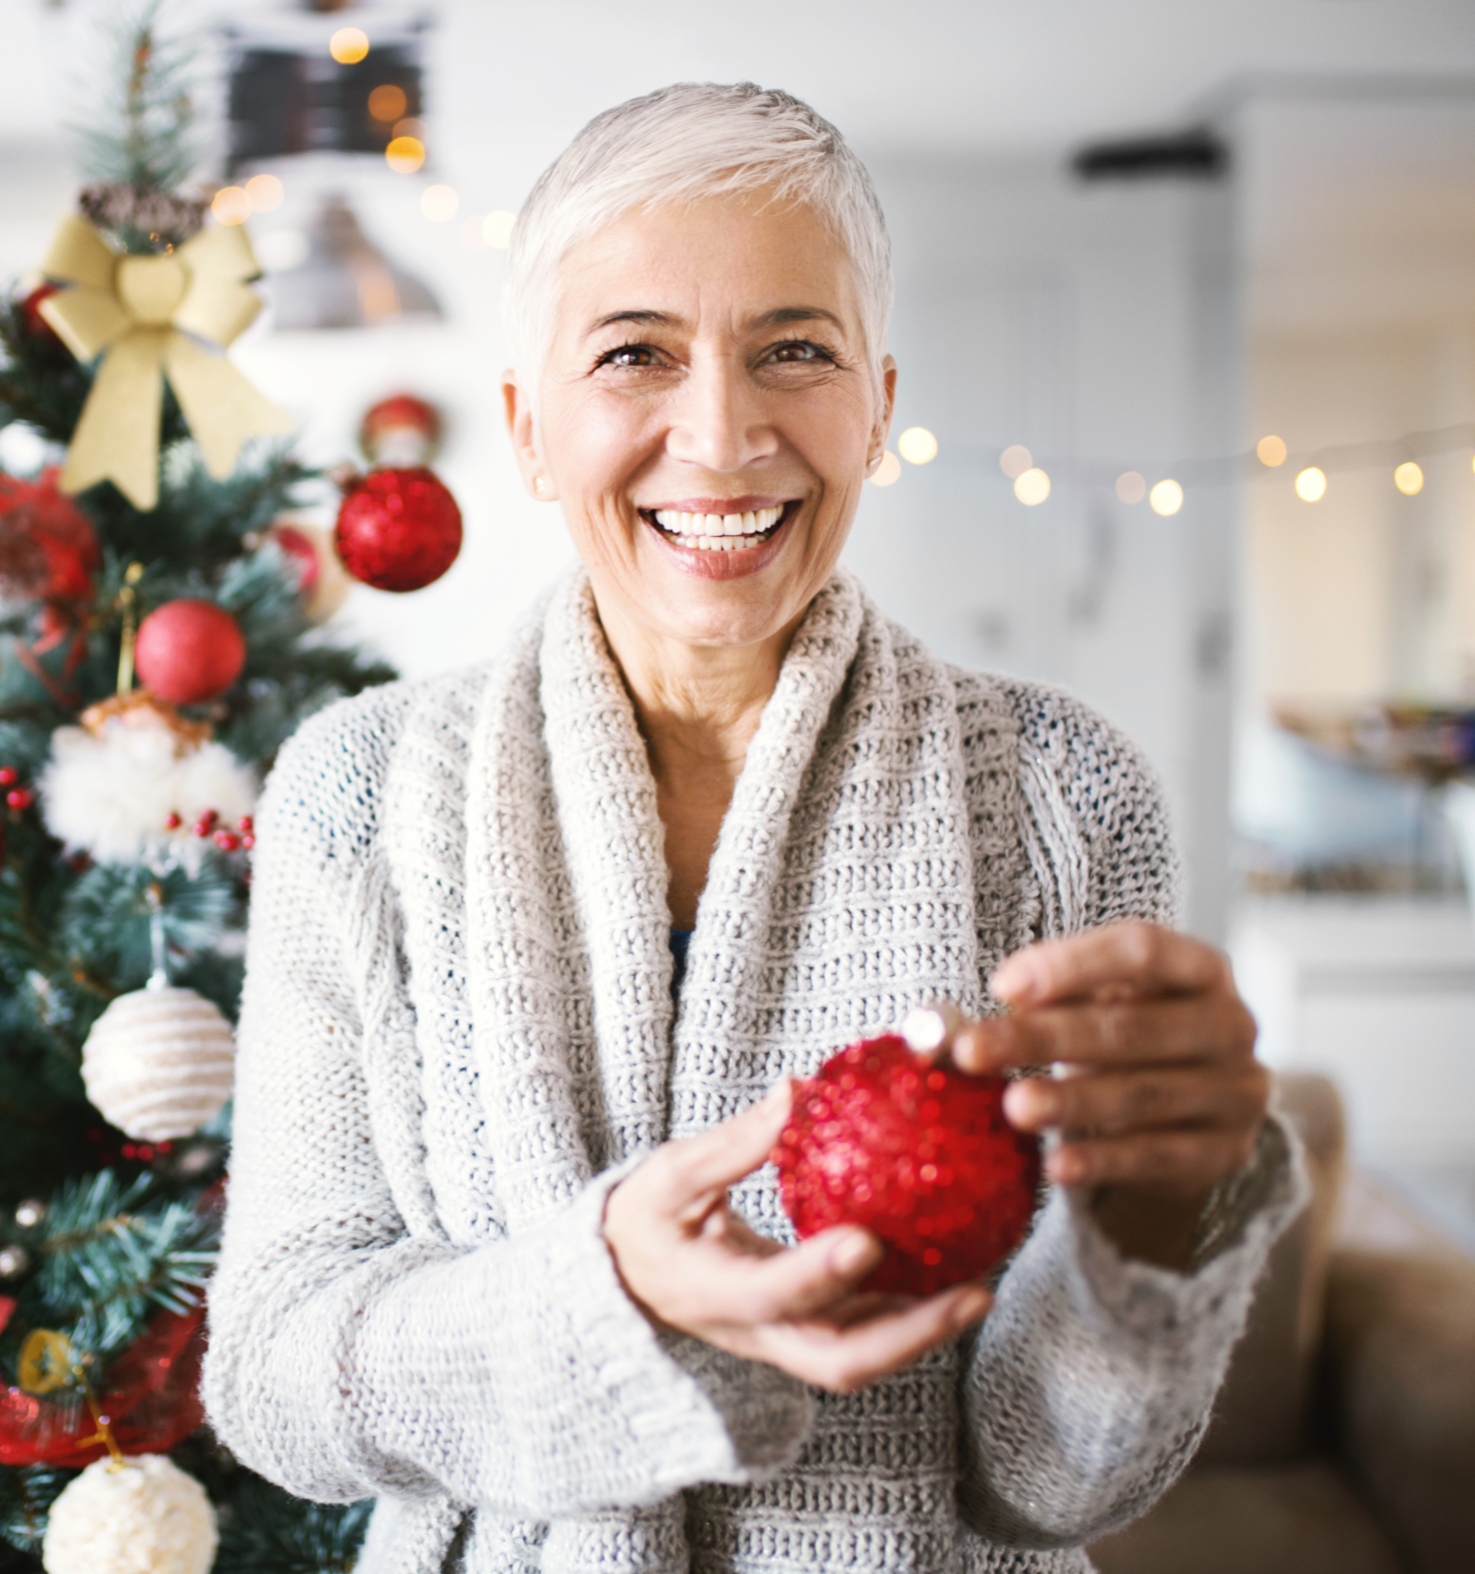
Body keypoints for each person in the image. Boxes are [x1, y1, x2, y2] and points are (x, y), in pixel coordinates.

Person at [204, 82, 1302, 1574]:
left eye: (796, 351)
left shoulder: (1063, 792)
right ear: (529, 425)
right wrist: (605, 1309)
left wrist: (1158, 1222)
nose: (721, 435)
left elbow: (1054, 1484)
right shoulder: (357, 795)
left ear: (879, 404)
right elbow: (274, 1379)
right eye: (635, 354)